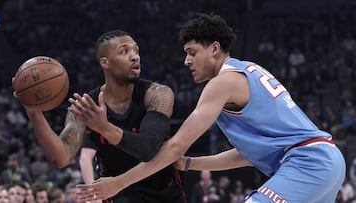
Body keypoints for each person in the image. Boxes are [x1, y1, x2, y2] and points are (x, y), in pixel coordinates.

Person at [76, 13, 346, 203]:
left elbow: (174, 146)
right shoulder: (245, 70)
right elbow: (248, 154)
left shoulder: (222, 83)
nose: (186, 61)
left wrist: (118, 183)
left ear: (214, 49)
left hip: (307, 162)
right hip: (323, 160)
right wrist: (191, 164)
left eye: (192, 52)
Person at [13, 30, 185, 203]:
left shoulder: (158, 94)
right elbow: (62, 157)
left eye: (136, 50)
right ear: (105, 62)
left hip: (165, 193)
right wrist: (34, 112)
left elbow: (149, 148)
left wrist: (104, 128)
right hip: (117, 193)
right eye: (124, 51)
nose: (135, 57)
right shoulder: (85, 106)